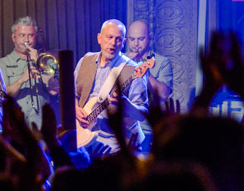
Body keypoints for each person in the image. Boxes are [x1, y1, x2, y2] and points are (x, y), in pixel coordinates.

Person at [74, 19, 150, 158]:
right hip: (82, 139)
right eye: (109, 37)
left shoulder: (133, 69)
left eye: (118, 39)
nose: (113, 43)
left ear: (123, 42)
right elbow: (71, 95)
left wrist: (125, 103)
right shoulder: (85, 60)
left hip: (116, 144)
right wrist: (75, 109)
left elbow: (142, 114)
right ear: (99, 38)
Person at [1, 16, 60, 131]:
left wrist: (38, 61)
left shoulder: (46, 60)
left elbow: (54, 90)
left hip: (42, 128)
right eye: (22, 35)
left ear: (35, 37)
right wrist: (22, 79)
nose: (26, 40)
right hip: (16, 128)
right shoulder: (4, 63)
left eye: (30, 35)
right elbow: (4, 95)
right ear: (14, 37)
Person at [126, 19, 174, 152]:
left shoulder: (162, 62)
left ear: (150, 38)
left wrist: (145, 71)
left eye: (140, 39)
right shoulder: (121, 60)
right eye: (132, 39)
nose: (136, 44)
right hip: (124, 128)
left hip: (148, 129)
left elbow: (164, 94)